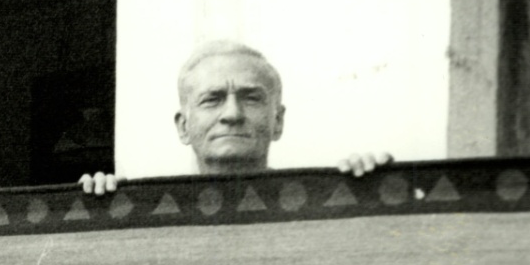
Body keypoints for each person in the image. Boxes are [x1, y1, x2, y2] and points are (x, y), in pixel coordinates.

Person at [78, 41, 391, 193]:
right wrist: (94, 204)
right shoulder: (138, 214)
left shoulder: (327, 201)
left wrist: (377, 189)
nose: (232, 114)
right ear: (183, 126)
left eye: (251, 97)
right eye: (212, 99)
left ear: (278, 120)